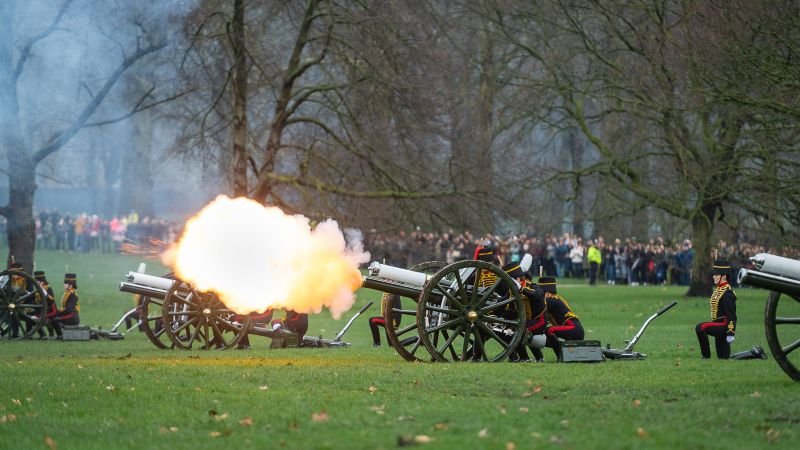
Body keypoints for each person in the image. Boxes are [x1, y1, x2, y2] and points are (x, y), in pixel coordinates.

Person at [695, 259, 736, 359]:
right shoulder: (719, 289)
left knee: (700, 327)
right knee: (724, 358)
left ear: (724, 276)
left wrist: (730, 332)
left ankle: (706, 356)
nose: (713, 276)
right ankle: (753, 355)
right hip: (717, 323)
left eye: (716, 275)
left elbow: (731, 315)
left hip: (723, 326)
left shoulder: (727, 293)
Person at [539, 276, 585, 361]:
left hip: (573, 329)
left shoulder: (551, 300)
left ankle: (560, 356)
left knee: (549, 330)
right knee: (548, 330)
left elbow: (538, 309)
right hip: (576, 329)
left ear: (547, 293)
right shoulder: (556, 298)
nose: (541, 296)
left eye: (542, 294)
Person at [52, 273, 80, 338]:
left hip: (72, 317)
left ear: (70, 285)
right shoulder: (67, 293)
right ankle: (58, 335)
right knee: (54, 318)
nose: (63, 285)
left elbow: (69, 309)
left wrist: (60, 313)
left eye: (65, 283)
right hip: (68, 315)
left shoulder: (73, 295)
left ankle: (60, 335)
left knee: (55, 320)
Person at [33, 270, 57, 339]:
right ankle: (42, 335)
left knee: (37, 319)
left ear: (42, 281)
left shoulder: (48, 288)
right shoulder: (37, 290)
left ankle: (48, 335)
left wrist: (45, 294)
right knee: (31, 318)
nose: (36, 283)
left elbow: (51, 301)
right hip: (41, 310)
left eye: (38, 281)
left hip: (49, 311)